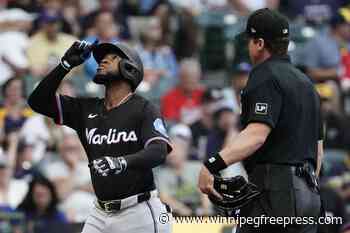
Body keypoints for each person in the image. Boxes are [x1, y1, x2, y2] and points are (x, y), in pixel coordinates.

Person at [198, 8, 323, 233]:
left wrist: (213, 164)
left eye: (250, 41)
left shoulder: (264, 75)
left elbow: (256, 134)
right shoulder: (307, 84)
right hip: (309, 194)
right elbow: (318, 151)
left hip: (277, 192)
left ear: (259, 43)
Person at [27, 40, 173, 233]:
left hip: (139, 211)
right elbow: (37, 101)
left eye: (111, 58)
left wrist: (121, 162)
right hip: (100, 212)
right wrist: (65, 65)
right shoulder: (86, 109)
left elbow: (159, 151)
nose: (102, 62)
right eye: (102, 59)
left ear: (130, 68)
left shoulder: (144, 108)